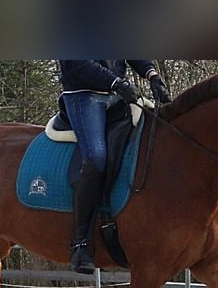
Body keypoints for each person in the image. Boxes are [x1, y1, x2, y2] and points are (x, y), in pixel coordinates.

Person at [59, 60, 171, 274]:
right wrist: (116, 82)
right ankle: (80, 242)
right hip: (84, 95)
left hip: (117, 95)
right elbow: (76, 62)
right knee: (96, 157)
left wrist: (152, 75)